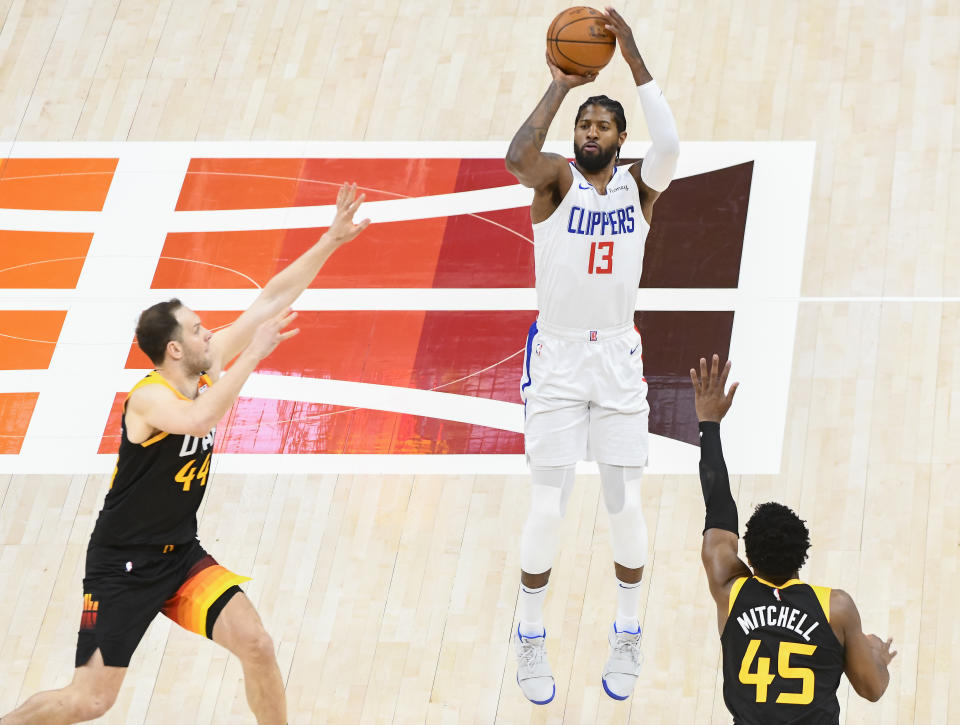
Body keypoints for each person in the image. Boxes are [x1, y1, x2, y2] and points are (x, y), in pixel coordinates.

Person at [1, 185, 370, 725]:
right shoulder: (150, 399)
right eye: (197, 330)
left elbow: (268, 299)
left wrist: (329, 242)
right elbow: (201, 419)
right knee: (89, 701)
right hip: (122, 565)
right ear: (175, 349)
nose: (208, 334)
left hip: (179, 556)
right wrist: (256, 356)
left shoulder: (204, 365)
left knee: (257, 645)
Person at [504, 6, 680, 704]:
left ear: (619, 137)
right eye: (583, 125)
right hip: (558, 358)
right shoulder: (553, 183)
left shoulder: (640, 188)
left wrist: (633, 55)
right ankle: (528, 635)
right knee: (547, 505)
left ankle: (629, 630)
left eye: (601, 125)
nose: (589, 133)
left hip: (617, 361)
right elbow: (517, 156)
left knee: (625, 501)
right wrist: (557, 84)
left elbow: (668, 141)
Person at [691, 354, 897, 724]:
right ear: (803, 554)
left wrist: (709, 423)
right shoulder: (836, 608)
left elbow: (718, 504)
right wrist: (877, 655)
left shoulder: (729, 587)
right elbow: (872, 689)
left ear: (748, 557)